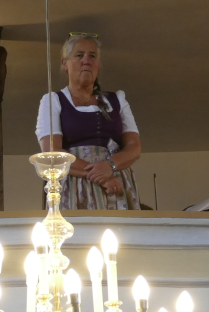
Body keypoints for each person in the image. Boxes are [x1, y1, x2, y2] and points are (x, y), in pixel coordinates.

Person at [36, 33, 142, 209]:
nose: (86, 61)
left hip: (116, 182)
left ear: (98, 64)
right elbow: (52, 152)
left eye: (92, 56)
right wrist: (102, 176)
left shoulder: (117, 99)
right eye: (79, 55)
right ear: (65, 63)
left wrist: (110, 165)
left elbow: (134, 146)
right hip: (75, 184)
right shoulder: (53, 101)